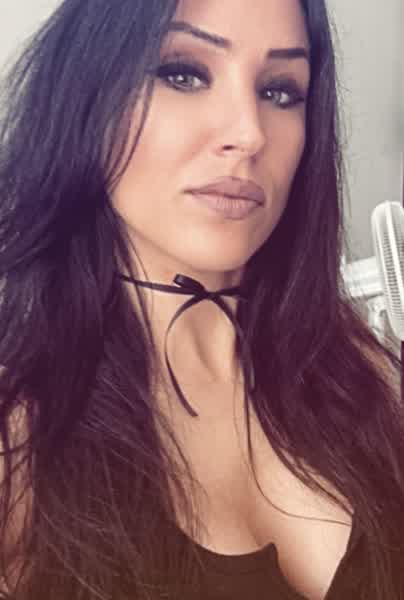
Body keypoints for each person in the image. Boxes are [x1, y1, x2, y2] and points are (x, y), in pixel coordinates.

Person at [0, 0, 403, 598]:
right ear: (86, 98)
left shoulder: (365, 376)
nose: (249, 133)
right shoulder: (20, 438)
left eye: (280, 91)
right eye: (183, 74)